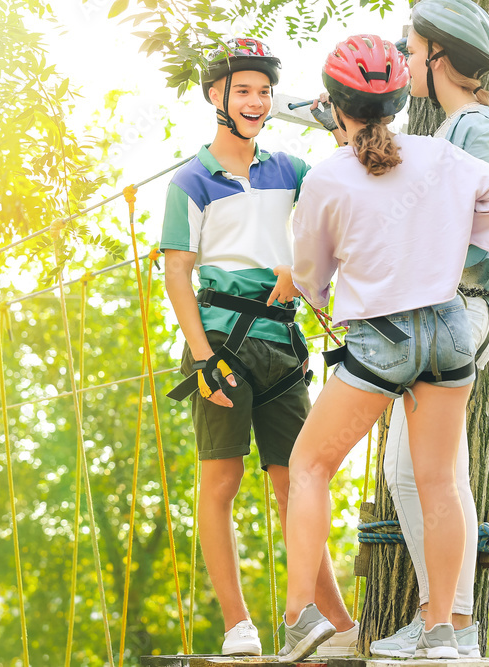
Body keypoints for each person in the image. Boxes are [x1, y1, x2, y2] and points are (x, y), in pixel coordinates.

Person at [268, 34, 489, 663]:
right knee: (440, 483)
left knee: (308, 467)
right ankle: (442, 629)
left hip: (383, 339)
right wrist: (457, 252)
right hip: (449, 330)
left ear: (334, 104)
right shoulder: (441, 155)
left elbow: (309, 272)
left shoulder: (328, 177)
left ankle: (301, 616)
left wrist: (327, 298)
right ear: (397, 98)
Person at [159, 37, 356, 656]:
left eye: (263, 91)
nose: (255, 100)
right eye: (242, 89)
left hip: (282, 344)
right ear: (215, 95)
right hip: (222, 343)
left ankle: (338, 628)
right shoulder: (191, 180)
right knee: (222, 480)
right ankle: (238, 624)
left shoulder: (291, 170)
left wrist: (335, 117)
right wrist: (200, 357)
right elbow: (176, 273)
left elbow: (340, 200)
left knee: (297, 484)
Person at [370, 0, 489, 658]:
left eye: (412, 44)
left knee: (428, 472)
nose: (406, 53)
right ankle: (450, 623)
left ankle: (451, 624)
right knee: (420, 471)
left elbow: (479, 233)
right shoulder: (453, 129)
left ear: (440, 56)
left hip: (461, 310)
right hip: (440, 313)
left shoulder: (478, 128)